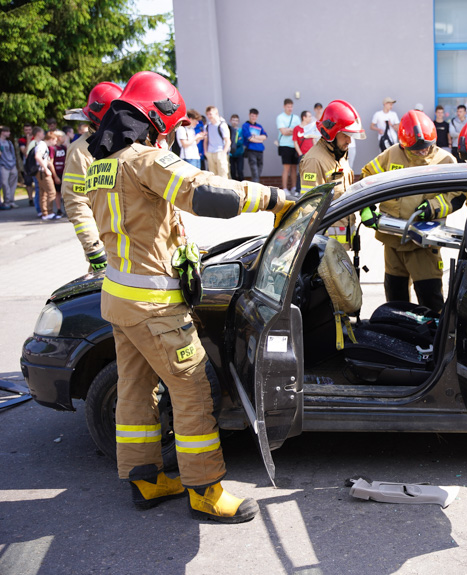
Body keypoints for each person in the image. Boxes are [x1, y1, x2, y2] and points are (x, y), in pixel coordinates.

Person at [85, 71, 293, 523]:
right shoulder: (146, 160)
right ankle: (205, 490)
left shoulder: (103, 162)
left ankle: (145, 478)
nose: (169, 136)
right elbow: (206, 193)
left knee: (136, 391)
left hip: (120, 300)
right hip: (155, 306)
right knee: (193, 390)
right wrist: (274, 197)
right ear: (153, 119)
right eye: (168, 127)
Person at [360, 110, 460, 314]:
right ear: (405, 144)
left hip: (423, 245)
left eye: (426, 147)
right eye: (416, 149)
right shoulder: (391, 154)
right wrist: (366, 207)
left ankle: (434, 343)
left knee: (430, 299)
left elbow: (457, 195)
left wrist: (433, 207)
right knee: (395, 301)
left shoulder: (445, 161)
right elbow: (368, 177)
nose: (422, 152)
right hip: (393, 241)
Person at [60, 81, 123, 272]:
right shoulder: (81, 151)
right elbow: (77, 202)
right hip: (108, 246)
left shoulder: (124, 142)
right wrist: (94, 249)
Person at [298, 99, 365, 246]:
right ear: (332, 133)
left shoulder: (339, 154)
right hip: (325, 248)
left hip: (340, 246)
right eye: (346, 135)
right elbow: (309, 209)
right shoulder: (314, 161)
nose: (349, 140)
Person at [33, 128, 60, 220]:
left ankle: (45, 213)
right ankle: (50, 212)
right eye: (55, 140)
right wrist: (46, 169)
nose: (56, 142)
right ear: (51, 139)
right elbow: (37, 156)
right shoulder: (42, 145)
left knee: (43, 193)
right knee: (51, 192)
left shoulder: (43, 145)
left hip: (40, 171)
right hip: (42, 172)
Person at [276, 98, 301, 192]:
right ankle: (285, 188)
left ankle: (294, 187)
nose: (290, 108)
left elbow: (298, 131)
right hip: (284, 145)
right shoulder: (280, 117)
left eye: (291, 106)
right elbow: (283, 131)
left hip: (295, 145)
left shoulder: (296, 118)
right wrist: (292, 130)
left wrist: (289, 130)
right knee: (286, 167)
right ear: (284, 107)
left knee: (294, 167)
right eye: (288, 106)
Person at [203, 106, 230, 178]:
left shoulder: (222, 125)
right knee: (213, 176)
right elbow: (206, 140)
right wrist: (206, 152)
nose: (209, 116)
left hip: (220, 151)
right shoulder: (207, 126)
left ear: (216, 113)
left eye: (210, 114)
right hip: (210, 152)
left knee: (223, 175)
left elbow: (228, 141)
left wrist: (223, 153)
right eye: (207, 114)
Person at [241, 108, 267, 183]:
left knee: (259, 169)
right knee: (254, 170)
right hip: (251, 150)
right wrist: (260, 139)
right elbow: (249, 138)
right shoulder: (245, 125)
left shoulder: (259, 126)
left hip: (260, 150)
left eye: (255, 116)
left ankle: (256, 184)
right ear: (249, 115)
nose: (254, 118)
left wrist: (254, 137)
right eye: (252, 116)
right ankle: (256, 186)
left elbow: (265, 137)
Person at [50, 130, 67, 216]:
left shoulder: (64, 148)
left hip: (64, 173)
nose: (65, 139)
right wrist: (55, 176)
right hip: (57, 173)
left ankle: (66, 208)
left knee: (65, 191)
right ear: (60, 138)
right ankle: (59, 209)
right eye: (64, 137)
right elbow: (51, 162)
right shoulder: (53, 148)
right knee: (58, 192)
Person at [0, 126, 17, 209]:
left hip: (12, 165)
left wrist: (14, 163)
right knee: (4, 183)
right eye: (7, 131)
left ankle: (11, 201)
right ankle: (6, 202)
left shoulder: (9, 142)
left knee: (12, 184)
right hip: (3, 165)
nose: (9, 133)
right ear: (2, 132)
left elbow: (13, 154)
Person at [19, 123, 35, 205]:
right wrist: (28, 141)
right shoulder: (21, 140)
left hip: (35, 163)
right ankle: (30, 199)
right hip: (27, 164)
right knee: (28, 182)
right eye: (26, 130)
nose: (28, 131)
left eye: (29, 130)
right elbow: (24, 152)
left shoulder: (35, 138)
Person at [228, 114, 245, 180]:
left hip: (239, 153)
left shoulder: (240, 131)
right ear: (230, 121)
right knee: (232, 171)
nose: (234, 122)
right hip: (231, 154)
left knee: (240, 170)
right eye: (233, 120)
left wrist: (233, 142)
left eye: (236, 120)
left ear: (238, 122)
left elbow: (241, 141)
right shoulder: (228, 130)